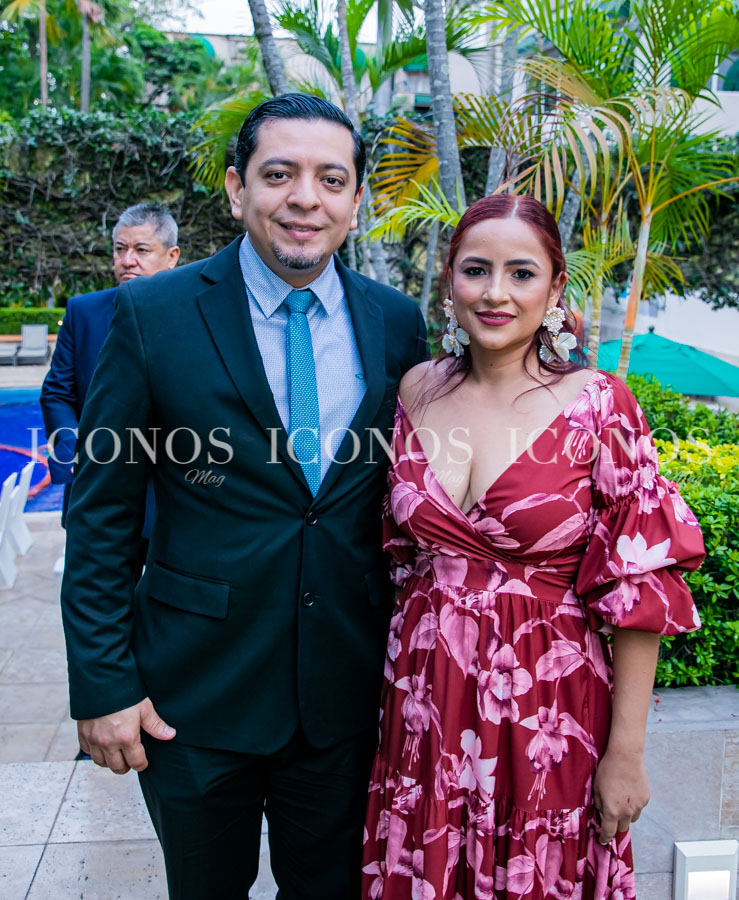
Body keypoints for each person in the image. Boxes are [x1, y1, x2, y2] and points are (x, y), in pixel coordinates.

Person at [60, 94, 427, 900]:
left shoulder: (397, 323)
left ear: (355, 200)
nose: (305, 199)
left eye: (331, 179)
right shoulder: (151, 313)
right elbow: (101, 515)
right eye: (279, 174)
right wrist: (104, 684)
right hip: (193, 696)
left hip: (343, 694)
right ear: (237, 188)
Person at [361, 195, 705, 898]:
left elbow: (640, 590)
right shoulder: (416, 390)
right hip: (423, 706)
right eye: (475, 270)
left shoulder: (598, 404)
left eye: (521, 273)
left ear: (554, 288)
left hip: (547, 706)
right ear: (450, 281)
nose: (495, 293)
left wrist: (626, 753)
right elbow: (396, 557)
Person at [40, 202, 180, 528]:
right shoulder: (82, 312)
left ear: (172, 256)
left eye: (141, 250)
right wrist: (74, 449)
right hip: (94, 496)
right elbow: (57, 393)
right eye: (120, 249)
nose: (127, 260)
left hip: (173, 499)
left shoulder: (196, 315)